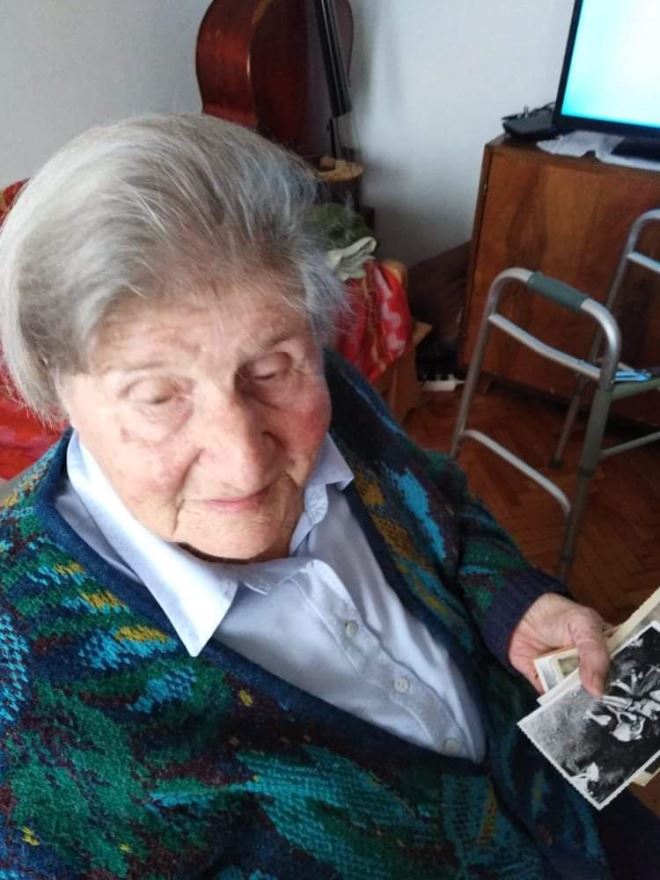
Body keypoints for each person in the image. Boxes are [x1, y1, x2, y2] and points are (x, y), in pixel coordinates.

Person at [0, 113, 652, 879]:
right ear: (56, 388)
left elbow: (437, 504)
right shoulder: (26, 692)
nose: (245, 461)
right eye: (157, 397)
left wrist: (512, 601)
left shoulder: (331, 388)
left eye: (271, 371)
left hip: (580, 816)